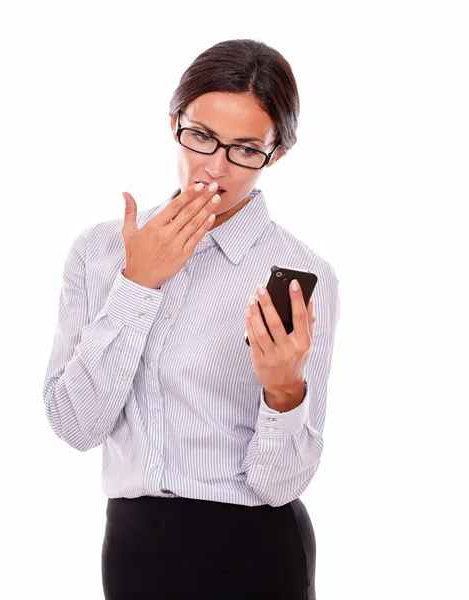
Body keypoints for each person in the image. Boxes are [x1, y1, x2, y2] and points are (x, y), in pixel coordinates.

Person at [43, 38, 340, 599]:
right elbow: (75, 426)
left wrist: (284, 394)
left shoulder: (299, 272)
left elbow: (279, 483)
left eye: (246, 149)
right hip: (134, 550)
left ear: (274, 154)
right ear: (175, 122)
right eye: (201, 136)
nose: (215, 166)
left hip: (257, 551)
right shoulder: (101, 252)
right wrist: (137, 285)